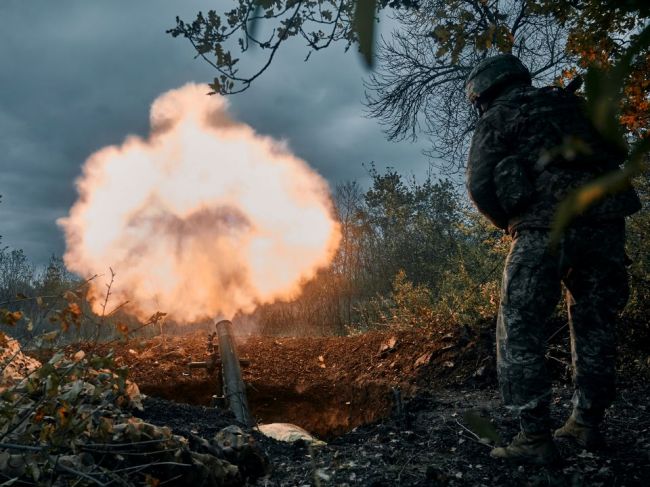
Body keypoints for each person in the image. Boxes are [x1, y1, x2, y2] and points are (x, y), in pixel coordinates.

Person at [464, 54, 641, 464]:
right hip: (606, 224)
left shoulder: (499, 116)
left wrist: (510, 221)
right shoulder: (574, 106)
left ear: (484, 92)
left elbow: (479, 183)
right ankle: (586, 424)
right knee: (596, 323)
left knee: (520, 324)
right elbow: (618, 148)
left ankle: (534, 438)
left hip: (545, 229)